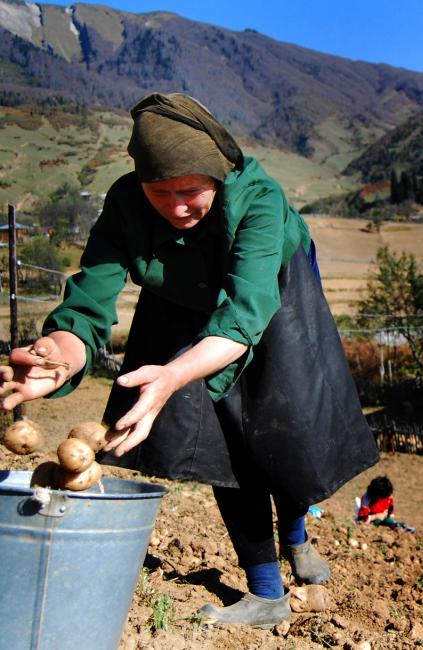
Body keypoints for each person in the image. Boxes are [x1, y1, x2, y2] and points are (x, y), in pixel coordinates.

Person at [0, 92, 379, 630]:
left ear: (218, 175)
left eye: (190, 191)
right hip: (181, 296)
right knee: (224, 442)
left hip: (273, 291)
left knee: (282, 426)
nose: (177, 207)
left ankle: (297, 538)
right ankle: (266, 593)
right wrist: (59, 354)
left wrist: (175, 373)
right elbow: (88, 303)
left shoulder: (258, 200)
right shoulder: (127, 205)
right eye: (161, 192)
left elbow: (247, 311)